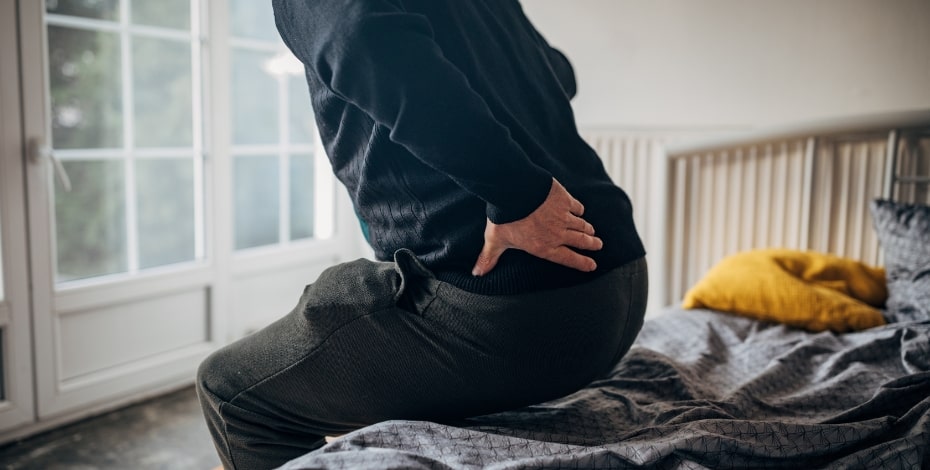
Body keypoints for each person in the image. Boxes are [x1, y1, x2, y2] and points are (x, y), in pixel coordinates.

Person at [196, 1, 648, 468]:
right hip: (620, 289)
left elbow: (361, 39)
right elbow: (557, 71)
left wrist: (520, 195)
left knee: (229, 390)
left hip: (524, 316)